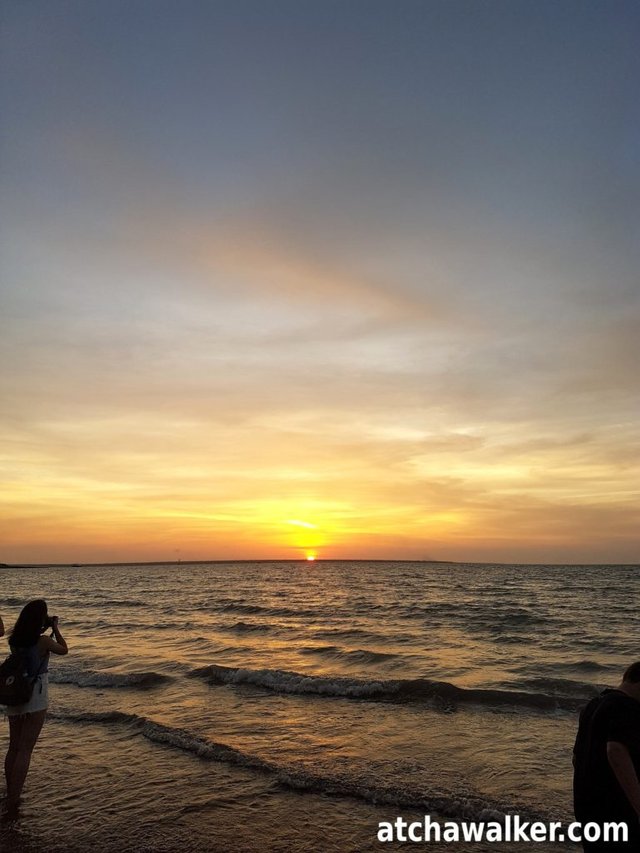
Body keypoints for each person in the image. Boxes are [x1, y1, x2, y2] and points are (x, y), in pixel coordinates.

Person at [3, 600, 68, 809]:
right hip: (35, 696)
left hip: (14, 693)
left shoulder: (14, 640)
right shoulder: (43, 642)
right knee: (25, 750)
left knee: (14, 747)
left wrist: (44, 626)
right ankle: (15, 798)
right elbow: (64, 650)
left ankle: (10, 790)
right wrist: (55, 628)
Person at [573, 661, 640, 851]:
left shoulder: (592, 706)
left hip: (588, 813)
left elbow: (576, 759)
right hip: (617, 814)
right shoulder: (627, 706)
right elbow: (616, 750)